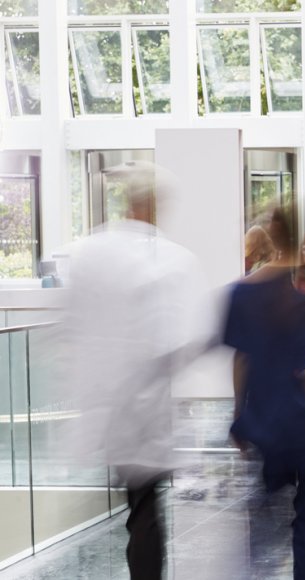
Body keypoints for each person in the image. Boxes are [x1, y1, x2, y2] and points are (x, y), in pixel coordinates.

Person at [63, 164, 211, 579]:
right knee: (145, 510)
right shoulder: (172, 259)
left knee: (139, 507)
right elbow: (187, 339)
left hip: (110, 409)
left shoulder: (91, 251)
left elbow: (73, 327)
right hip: (145, 411)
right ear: (155, 205)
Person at [223, 208, 305, 580]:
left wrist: (239, 415)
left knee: (263, 522)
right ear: (298, 241)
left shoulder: (241, 294)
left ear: (267, 238)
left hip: (264, 422)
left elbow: (241, 359)